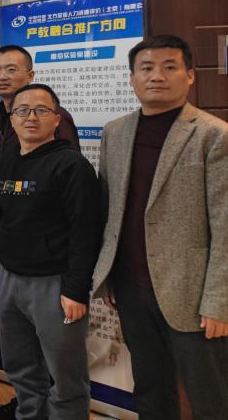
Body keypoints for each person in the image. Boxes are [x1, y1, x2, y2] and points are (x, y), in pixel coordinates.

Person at [92, 35, 228, 420]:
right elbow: (110, 210)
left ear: (190, 76)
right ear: (132, 78)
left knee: (210, 398)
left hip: (193, 294)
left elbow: (225, 224)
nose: (157, 76)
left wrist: (219, 302)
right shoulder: (115, 132)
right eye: (147, 68)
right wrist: (109, 276)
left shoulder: (213, 134)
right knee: (150, 387)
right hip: (131, 289)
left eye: (170, 67)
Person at [0, 83, 102, 420]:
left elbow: (85, 232)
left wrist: (76, 289)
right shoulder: (5, 162)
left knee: (66, 377)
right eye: (22, 110)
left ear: (57, 118)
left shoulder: (72, 166)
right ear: (12, 119)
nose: (31, 117)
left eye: (41, 110)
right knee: (21, 369)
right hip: (8, 280)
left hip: (54, 284)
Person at [0, 45, 79, 167]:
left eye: (11, 70)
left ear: (30, 76)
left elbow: (70, 164)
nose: (1, 76)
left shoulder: (50, 116)